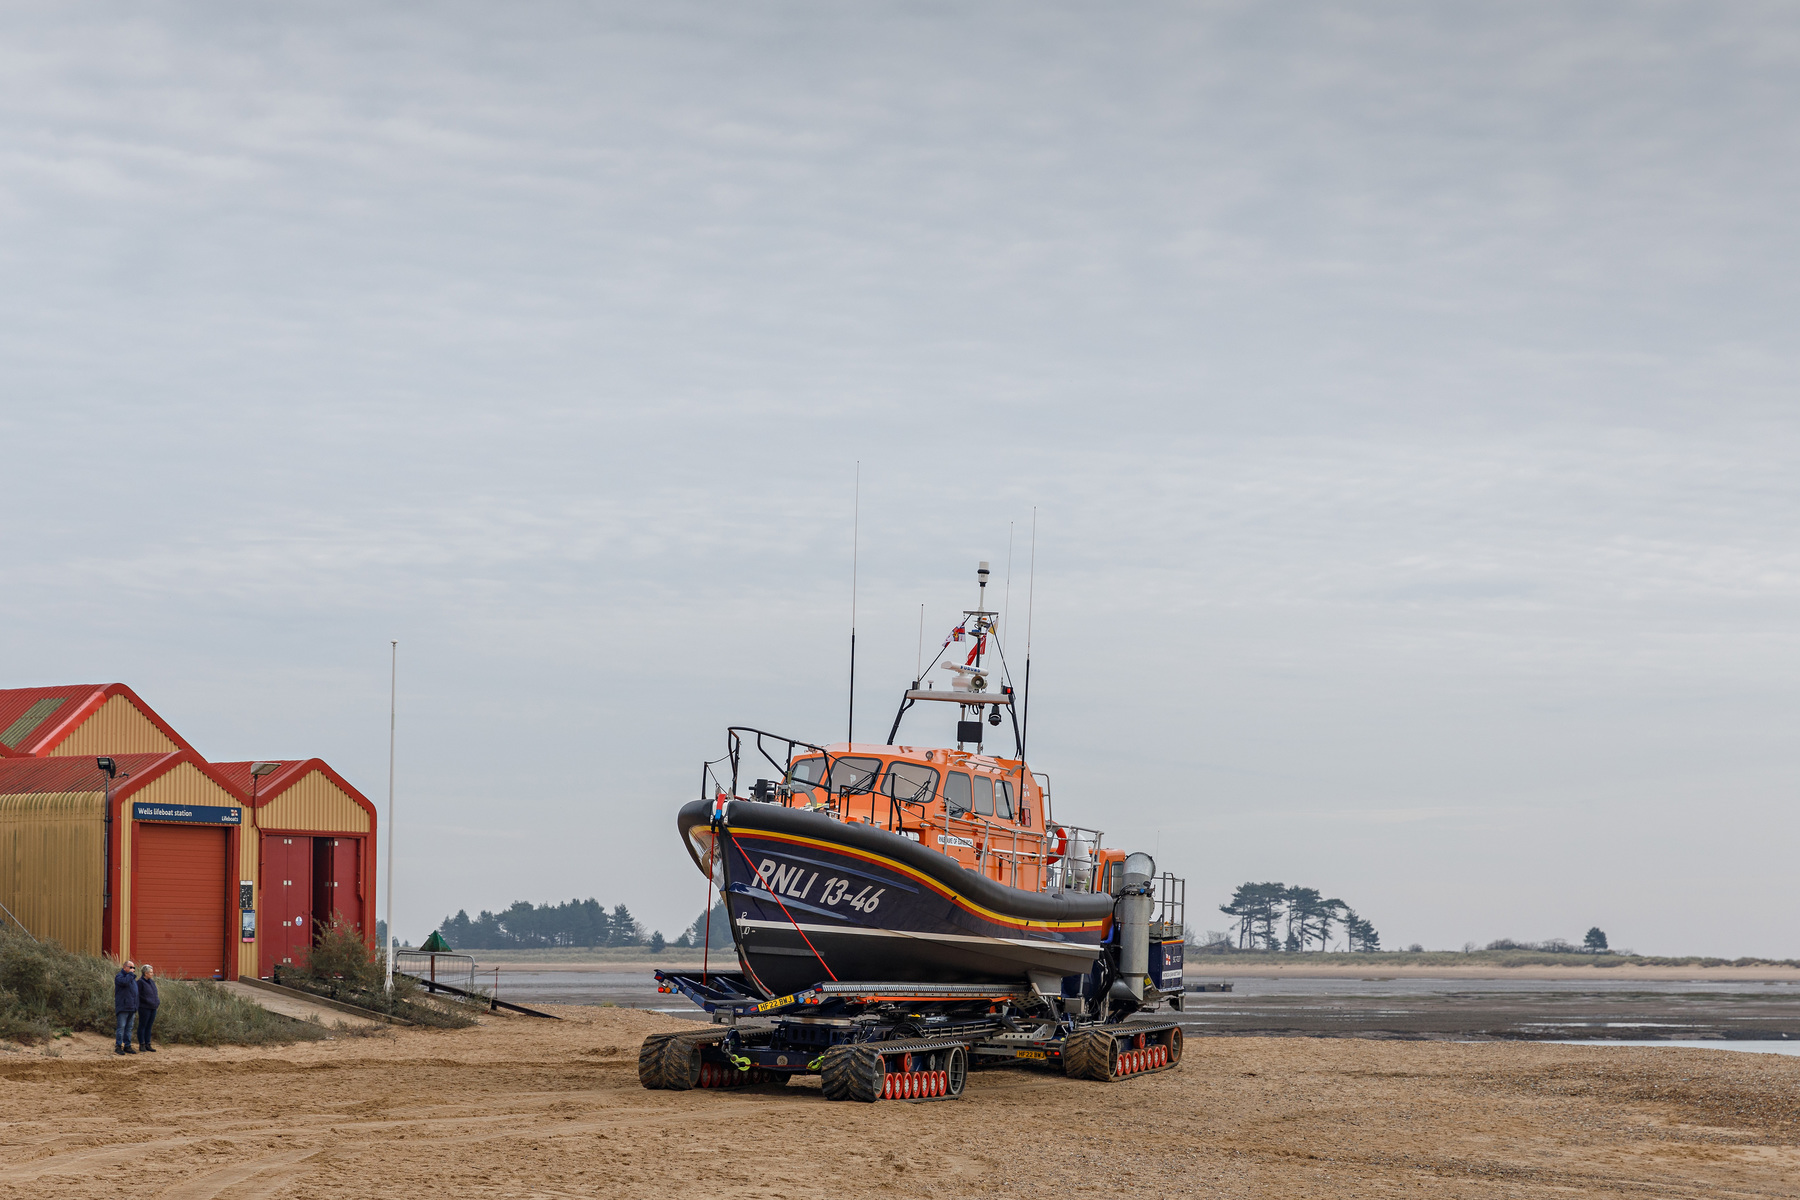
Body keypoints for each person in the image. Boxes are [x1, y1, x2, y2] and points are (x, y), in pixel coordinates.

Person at [113, 959, 139, 1055]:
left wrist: (136, 1006)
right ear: (125, 967)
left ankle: (127, 1045)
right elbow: (124, 982)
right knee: (121, 1027)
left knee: (129, 1028)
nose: (133, 969)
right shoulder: (120, 976)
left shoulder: (132, 979)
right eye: (131, 967)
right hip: (123, 1007)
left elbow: (135, 993)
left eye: (134, 968)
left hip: (132, 1007)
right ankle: (118, 1046)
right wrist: (131, 975)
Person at [136, 965, 160, 1052]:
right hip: (144, 1007)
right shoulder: (140, 982)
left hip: (153, 1007)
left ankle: (148, 1044)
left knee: (149, 1026)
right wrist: (147, 1001)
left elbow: (155, 993)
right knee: (142, 1025)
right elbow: (138, 995)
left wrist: (157, 1001)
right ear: (145, 973)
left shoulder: (152, 982)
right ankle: (141, 1044)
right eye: (150, 972)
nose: (152, 974)